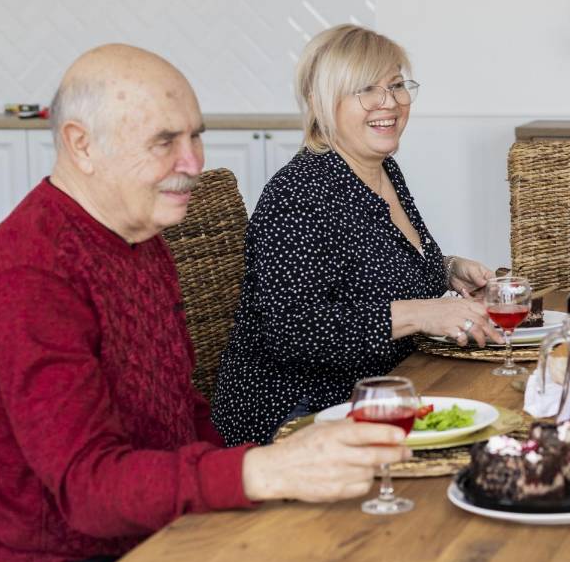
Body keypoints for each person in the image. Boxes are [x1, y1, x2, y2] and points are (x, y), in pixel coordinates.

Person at [0, 44, 411, 562]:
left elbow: (181, 410)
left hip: (157, 526)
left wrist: (253, 484)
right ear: (80, 145)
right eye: (164, 142)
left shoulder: (141, 238)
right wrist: (261, 469)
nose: (192, 163)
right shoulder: (31, 270)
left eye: (196, 136)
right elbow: (87, 490)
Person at [212, 25, 500, 447]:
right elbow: (291, 330)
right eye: (367, 88)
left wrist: (448, 269)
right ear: (320, 102)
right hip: (297, 417)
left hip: (382, 391)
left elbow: (371, 269)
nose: (390, 102)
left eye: (397, 85)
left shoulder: (380, 170)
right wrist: (422, 314)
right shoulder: (300, 193)